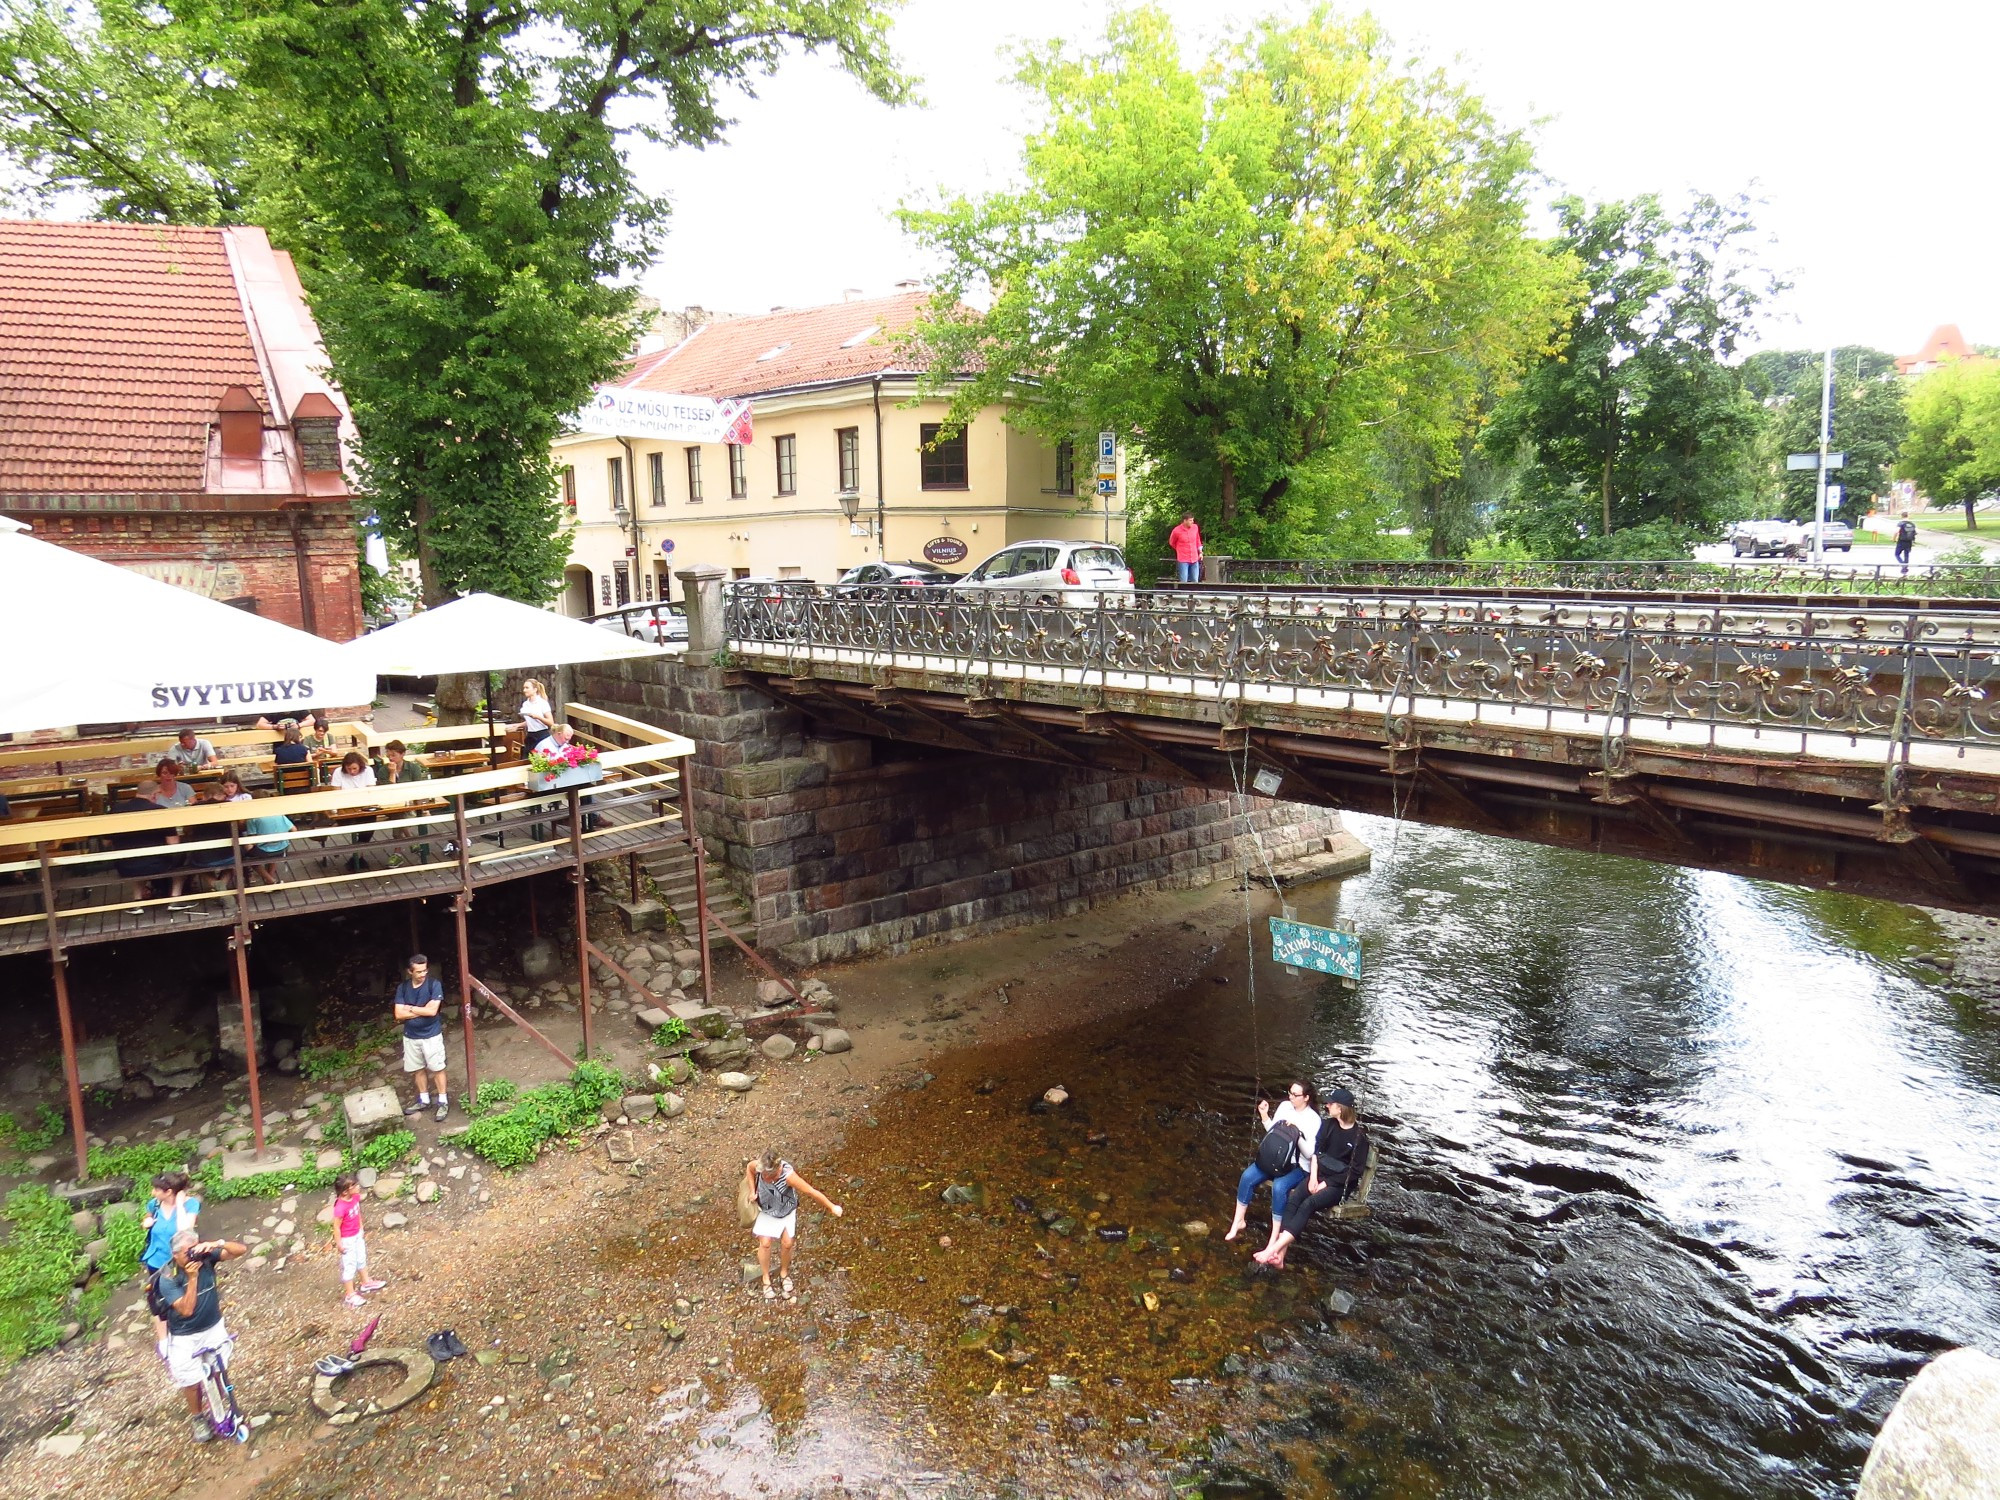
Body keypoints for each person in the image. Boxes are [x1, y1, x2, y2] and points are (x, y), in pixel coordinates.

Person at [1254, 1086, 1370, 1268]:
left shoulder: (1359, 1138)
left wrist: (1326, 1184)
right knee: (1294, 1199)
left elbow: (1354, 1172)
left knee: (1309, 1203)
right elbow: (1316, 1152)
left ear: (1340, 1108)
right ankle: (1281, 1257)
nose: (1327, 1106)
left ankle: (1272, 1250)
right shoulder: (1329, 1125)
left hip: (1338, 1185)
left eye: (1330, 1104)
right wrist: (1314, 1176)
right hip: (1319, 1174)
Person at [154, 1229, 247, 1442]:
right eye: (188, 1252)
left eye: (194, 1249)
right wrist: (192, 1278)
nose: (192, 1255)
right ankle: (197, 1417)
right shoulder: (168, 1278)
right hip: (186, 1335)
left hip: (213, 1326)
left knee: (218, 1368)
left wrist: (217, 1243)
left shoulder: (205, 1257)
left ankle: (222, 1407)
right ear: (175, 1254)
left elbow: (241, 1250)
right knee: (190, 1380)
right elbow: (186, 1310)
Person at [1224, 1080, 1318, 1243]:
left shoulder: (1313, 1119)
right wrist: (1264, 1115)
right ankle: (1238, 1221)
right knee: (1247, 1176)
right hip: (1276, 1158)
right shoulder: (1284, 1106)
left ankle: (1275, 1235)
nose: (1291, 1097)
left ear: (1306, 1097)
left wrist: (1297, 1133)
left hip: (1299, 1166)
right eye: (1289, 1092)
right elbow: (1274, 1134)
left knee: (1279, 1187)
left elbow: (1310, 1154)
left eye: (1295, 1095)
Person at [744, 1148, 843, 1301]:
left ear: (778, 1169)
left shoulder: (788, 1176)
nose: (766, 1178)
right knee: (765, 1243)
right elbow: (749, 1170)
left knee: (788, 1243)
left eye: (770, 1176)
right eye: (764, 1175)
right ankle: (765, 1279)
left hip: (786, 1210)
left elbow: (811, 1191)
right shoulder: (758, 1166)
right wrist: (752, 1190)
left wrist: (831, 1206)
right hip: (766, 1210)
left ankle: (784, 1273)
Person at [140, 1171, 200, 1359]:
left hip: (180, 1261)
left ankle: (187, 1332)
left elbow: (185, 1230)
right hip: (156, 1261)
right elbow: (147, 1217)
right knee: (157, 1300)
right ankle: (164, 1339)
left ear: (169, 1191)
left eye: (157, 1189)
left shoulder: (191, 1205)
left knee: (184, 1296)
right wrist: (146, 1222)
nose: (153, 1192)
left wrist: (180, 1204)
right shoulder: (155, 1204)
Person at [394, 953, 450, 1120]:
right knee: (417, 1068)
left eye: (425, 970)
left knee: (437, 1068)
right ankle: (424, 1100)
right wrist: (421, 1010)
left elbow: (433, 1011)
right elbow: (398, 1014)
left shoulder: (434, 985)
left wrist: (409, 1008)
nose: (423, 974)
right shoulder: (403, 988)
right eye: (419, 972)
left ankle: (443, 1101)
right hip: (411, 1036)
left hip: (431, 1035)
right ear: (410, 971)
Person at [330, 1171, 387, 1308]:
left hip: (356, 1235)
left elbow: (358, 1214)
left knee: (361, 1258)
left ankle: (365, 1282)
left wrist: (361, 1227)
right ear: (344, 1192)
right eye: (354, 1186)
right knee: (349, 1265)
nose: (358, 1187)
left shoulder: (355, 1198)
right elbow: (336, 1227)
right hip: (347, 1239)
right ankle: (350, 1294)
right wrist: (339, 1244)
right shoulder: (340, 1208)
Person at [1168, 512, 1204, 585]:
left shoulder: (1195, 527)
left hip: (1194, 558)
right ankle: (1184, 595)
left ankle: (1194, 595)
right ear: (1185, 521)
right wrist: (1179, 550)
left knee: (1195, 580)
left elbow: (1198, 540)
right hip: (1183, 559)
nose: (1192, 522)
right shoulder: (1176, 531)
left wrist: (1200, 552)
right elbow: (1172, 542)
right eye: (1190, 520)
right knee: (1184, 581)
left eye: (1192, 520)